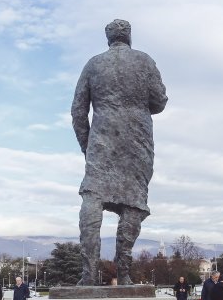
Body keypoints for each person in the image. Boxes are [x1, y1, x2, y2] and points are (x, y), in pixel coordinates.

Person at [72, 19, 168, 286]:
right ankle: (123, 272)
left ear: (108, 38)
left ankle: (88, 274)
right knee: (134, 203)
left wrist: (87, 146)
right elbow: (159, 102)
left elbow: (78, 111)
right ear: (129, 38)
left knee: (92, 198)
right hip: (137, 140)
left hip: (101, 140)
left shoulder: (93, 64)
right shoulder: (144, 61)